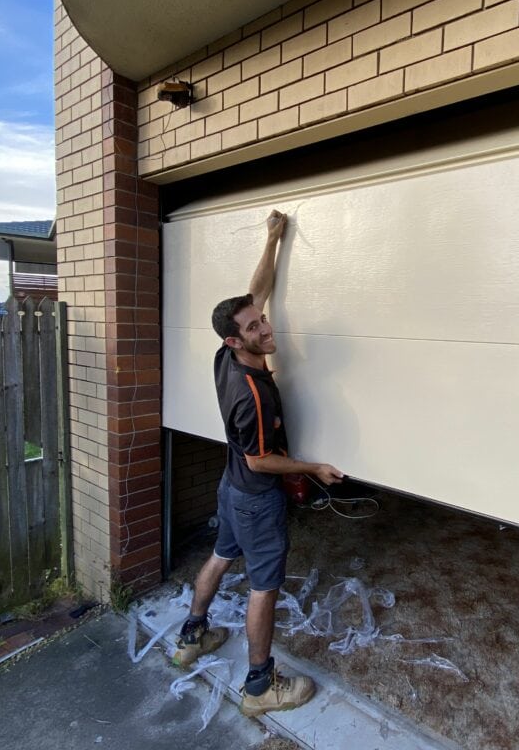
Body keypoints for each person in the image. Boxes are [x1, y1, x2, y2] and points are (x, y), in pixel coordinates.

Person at [175, 209, 343, 717]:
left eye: (262, 319)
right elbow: (262, 460)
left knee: (221, 556)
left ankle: (191, 638)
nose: (266, 327)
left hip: (230, 489)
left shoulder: (226, 353)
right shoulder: (253, 397)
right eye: (255, 327)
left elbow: (255, 291)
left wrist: (273, 241)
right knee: (264, 589)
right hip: (254, 496)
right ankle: (259, 687)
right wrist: (311, 468)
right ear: (236, 340)